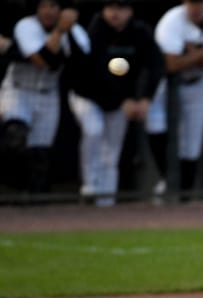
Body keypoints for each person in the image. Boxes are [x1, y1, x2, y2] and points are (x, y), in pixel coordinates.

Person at [65, 0, 164, 207]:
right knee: (93, 130)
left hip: (119, 100)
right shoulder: (94, 30)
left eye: (121, 8)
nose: (115, 13)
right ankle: (89, 185)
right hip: (88, 95)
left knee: (112, 150)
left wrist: (145, 98)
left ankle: (107, 201)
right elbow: (97, 71)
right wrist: (124, 100)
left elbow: (153, 66)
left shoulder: (140, 32)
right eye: (110, 8)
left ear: (130, 10)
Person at [0, 0, 89, 195]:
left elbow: (80, 61)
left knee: (40, 154)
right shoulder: (27, 25)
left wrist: (66, 31)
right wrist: (59, 32)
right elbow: (42, 60)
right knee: (14, 136)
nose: (48, 11)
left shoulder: (76, 31)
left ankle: (37, 206)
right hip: (18, 89)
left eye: (54, 6)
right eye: (44, 6)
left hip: (48, 93)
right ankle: (10, 190)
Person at [150, 0, 203, 202]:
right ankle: (166, 177)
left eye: (200, 2)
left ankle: (184, 196)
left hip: (198, 83)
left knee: (192, 141)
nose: (195, 7)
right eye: (191, 2)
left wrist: (193, 54)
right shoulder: (171, 20)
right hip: (166, 85)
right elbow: (171, 65)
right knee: (154, 123)